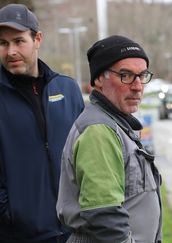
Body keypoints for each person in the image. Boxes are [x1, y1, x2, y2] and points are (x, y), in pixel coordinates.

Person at [56, 35, 162, 243]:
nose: (138, 86)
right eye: (125, 75)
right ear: (98, 80)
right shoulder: (99, 130)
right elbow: (104, 218)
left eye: (142, 75)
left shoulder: (116, 125)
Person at [0, 4, 84, 243]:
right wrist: (11, 217)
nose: (10, 51)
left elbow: (84, 157)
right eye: (3, 43)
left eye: (18, 41)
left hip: (74, 233)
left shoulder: (67, 89)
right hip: (19, 235)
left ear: (37, 39)